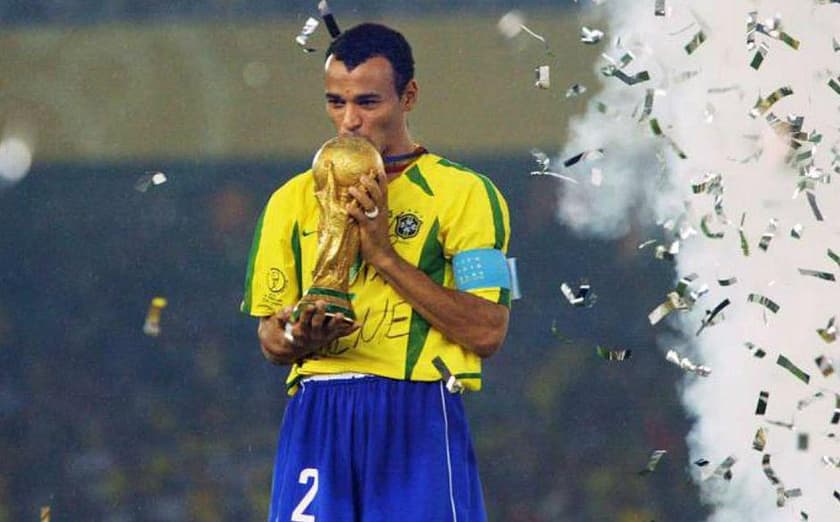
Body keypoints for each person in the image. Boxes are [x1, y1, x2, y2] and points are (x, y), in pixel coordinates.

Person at [241, 22, 511, 522]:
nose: (349, 122)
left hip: (417, 411)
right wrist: (296, 336)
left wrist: (384, 254)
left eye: (367, 102)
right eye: (336, 103)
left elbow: (487, 329)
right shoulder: (289, 202)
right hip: (317, 412)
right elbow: (269, 340)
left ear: (408, 96)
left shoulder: (468, 195)